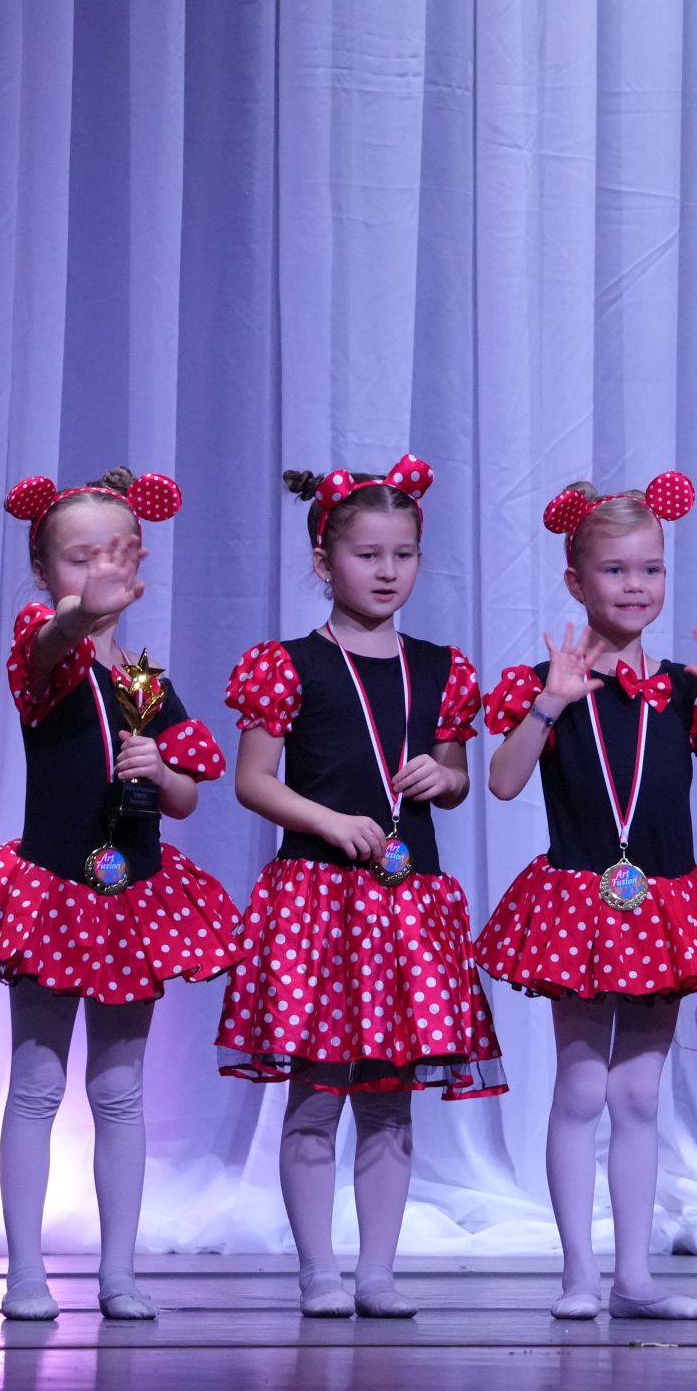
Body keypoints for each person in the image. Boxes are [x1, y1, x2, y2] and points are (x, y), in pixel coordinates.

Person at [0, 468, 240, 1321]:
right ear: (44, 569)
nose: (100, 570)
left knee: (120, 1089)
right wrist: (77, 613)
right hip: (55, 891)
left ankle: (119, 1274)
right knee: (35, 1083)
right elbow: (53, 643)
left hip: (133, 898)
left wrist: (160, 767)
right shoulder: (44, 647)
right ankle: (26, 1273)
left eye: (115, 554)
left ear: (139, 561)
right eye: (79, 557)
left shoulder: (145, 679)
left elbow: (185, 798)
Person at [475, 475, 697, 1321]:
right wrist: (548, 704)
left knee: (639, 1094)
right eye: (614, 570)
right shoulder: (549, 682)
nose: (635, 586)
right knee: (579, 1087)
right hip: (578, 904)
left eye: (650, 569)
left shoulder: (685, 689)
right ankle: (578, 1276)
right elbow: (502, 782)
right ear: (575, 581)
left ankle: (634, 1278)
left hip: (663, 905)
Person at [218, 457, 503, 1320]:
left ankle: (377, 1271)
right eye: (367, 554)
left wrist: (444, 778)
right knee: (317, 1094)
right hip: (318, 898)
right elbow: (252, 781)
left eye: (402, 555)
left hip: (408, 902)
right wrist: (329, 821)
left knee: (389, 1099)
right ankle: (318, 1270)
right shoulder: (287, 663)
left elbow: (457, 776)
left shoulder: (441, 667)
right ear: (323, 559)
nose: (387, 572)